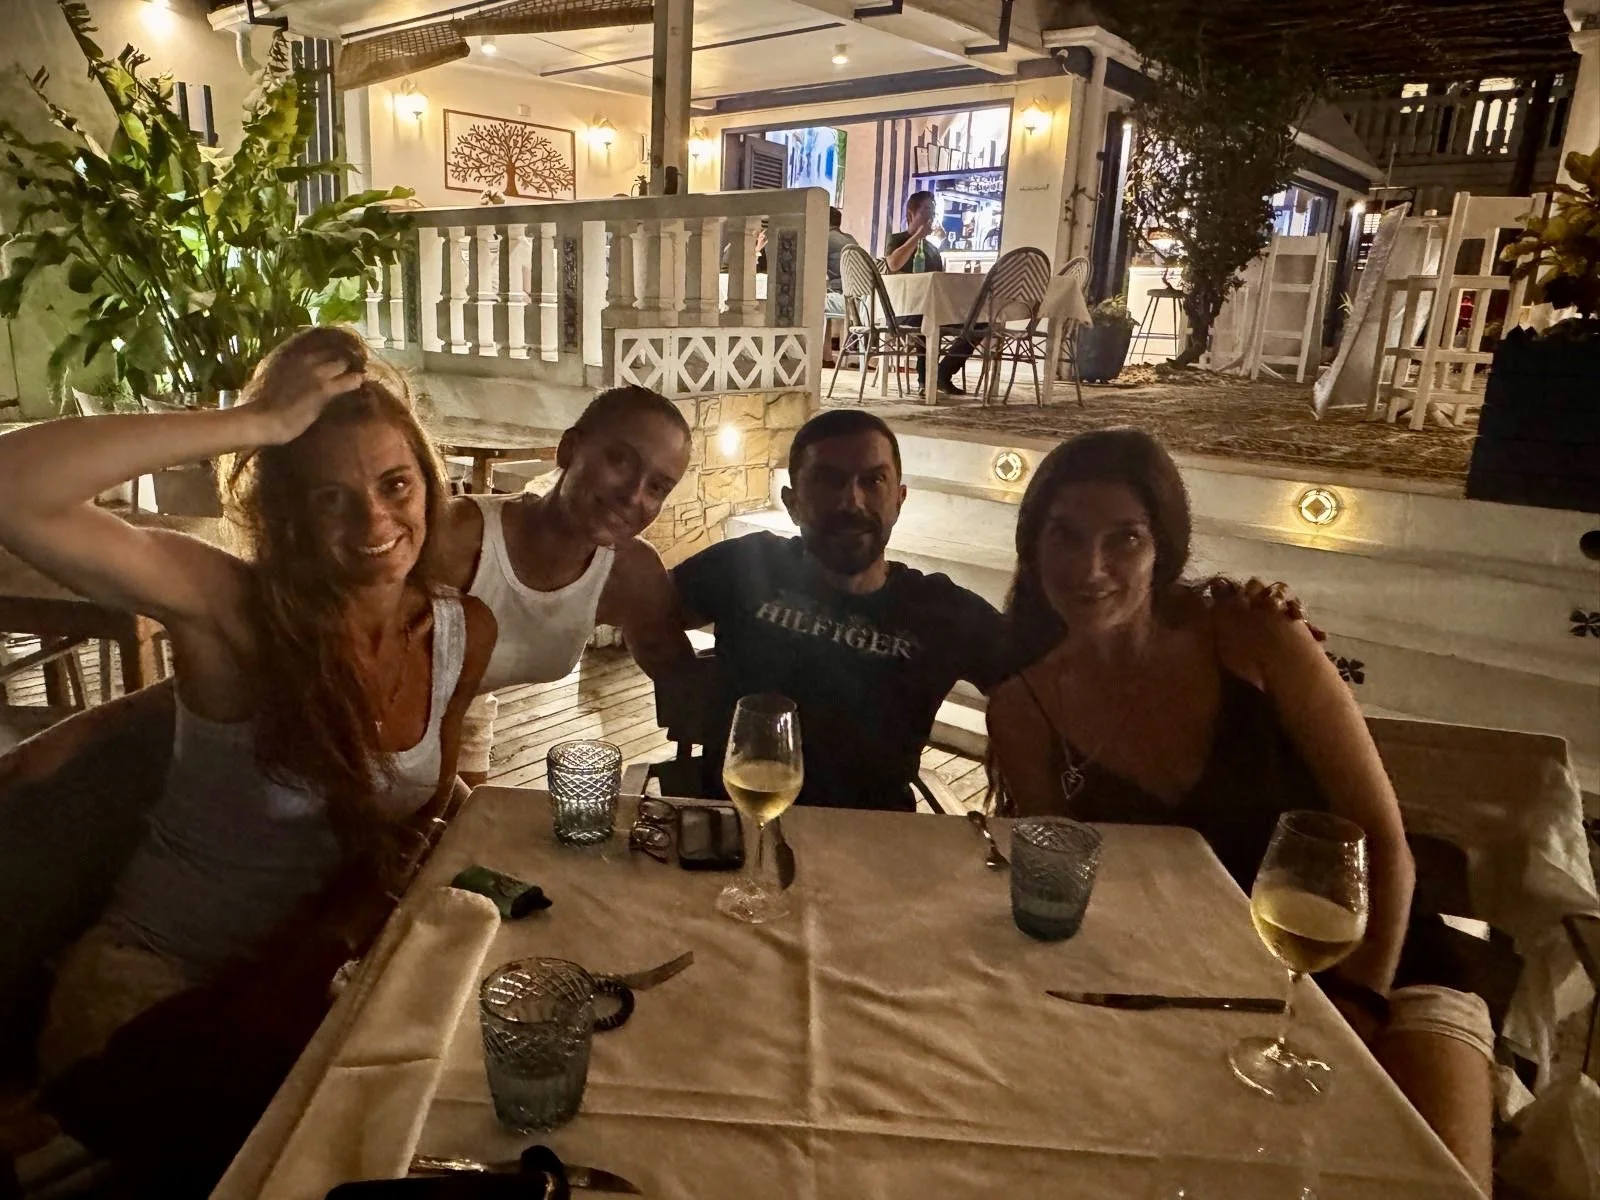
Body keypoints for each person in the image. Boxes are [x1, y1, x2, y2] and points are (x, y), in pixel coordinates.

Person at [0, 326, 495, 1186]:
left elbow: (422, 807)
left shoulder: (459, 632)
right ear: (289, 515)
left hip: (313, 984)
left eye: (395, 484)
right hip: (155, 1006)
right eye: (332, 498)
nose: (376, 522)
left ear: (428, 480)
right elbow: (14, 489)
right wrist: (254, 423)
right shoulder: (234, 613)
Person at [984, 429, 1493, 1191]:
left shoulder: (1255, 639)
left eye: (1124, 538)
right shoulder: (1024, 709)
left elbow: (1383, 841)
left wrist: (1356, 1003)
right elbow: (1065, 886)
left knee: (1438, 1183)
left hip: (1381, 965)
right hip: (1195, 990)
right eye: (1065, 535)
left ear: (1164, 547)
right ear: (1032, 544)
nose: (1090, 568)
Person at [669, 410, 1303, 814]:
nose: (851, 501)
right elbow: (635, 595)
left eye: (872, 481)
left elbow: (1069, 659)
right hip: (730, 821)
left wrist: (1213, 617)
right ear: (790, 500)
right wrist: (672, 669)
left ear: (900, 498)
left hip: (872, 849)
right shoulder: (746, 564)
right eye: (828, 481)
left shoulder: (942, 612)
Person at [435, 385, 694, 785]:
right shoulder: (458, 538)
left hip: (467, 710)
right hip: (376, 716)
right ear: (569, 450)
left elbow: (683, 679)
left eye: (657, 487)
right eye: (620, 460)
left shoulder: (630, 572)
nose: (633, 495)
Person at [882, 190, 979, 394]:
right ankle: (925, 379)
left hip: (932, 308)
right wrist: (917, 236)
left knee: (978, 323)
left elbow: (941, 283)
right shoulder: (897, 240)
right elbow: (892, 264)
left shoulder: (933, 250)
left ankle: (943, 373)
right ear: (911, 214)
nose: (930, 216)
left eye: (933, 211)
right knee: (927, 315)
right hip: (902, 309)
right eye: (926, 209)